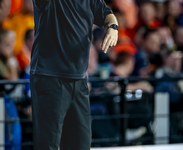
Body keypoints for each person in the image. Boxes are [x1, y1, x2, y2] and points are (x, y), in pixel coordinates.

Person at [30, 0, 118, 150]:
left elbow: (106, 13)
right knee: (48, 145)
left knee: (81, 145)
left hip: (79, 80)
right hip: (50, 77)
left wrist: (113, 27)